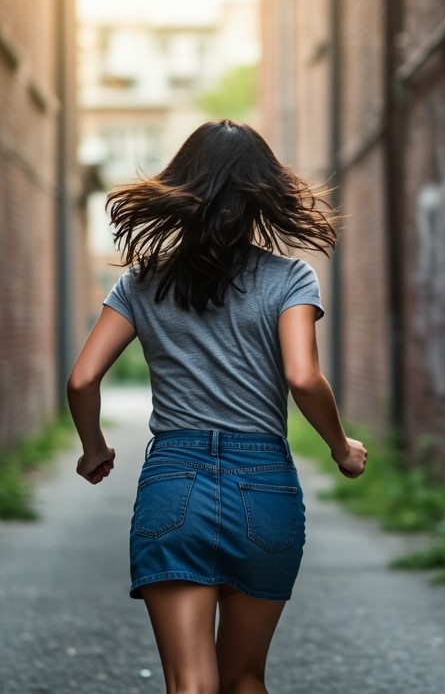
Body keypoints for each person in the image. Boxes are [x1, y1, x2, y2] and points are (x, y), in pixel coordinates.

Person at [65, 119, 368, 694]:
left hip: (173, 483)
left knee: (191, 685)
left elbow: (82, 379)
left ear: (183, 189)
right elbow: (302, 377)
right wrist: (341, 448)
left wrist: (94, 448)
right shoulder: (291, 278)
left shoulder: (142, 282)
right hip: (265, 487)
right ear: (263, 194)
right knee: (245, 679)